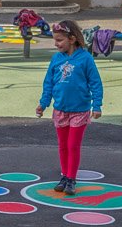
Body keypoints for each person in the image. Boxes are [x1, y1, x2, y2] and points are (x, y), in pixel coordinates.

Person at [35, 20, 104, 196]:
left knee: (73, 145)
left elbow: (95, 82)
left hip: (79, 109)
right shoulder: (56, 59)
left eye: (59, 40)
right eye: (55, 40)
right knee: (63, 145)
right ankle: (64, 176)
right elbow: (48, 83)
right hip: (60, 109)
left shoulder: (85, 58)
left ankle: (71, 178)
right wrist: (43, 103)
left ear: (72, 39)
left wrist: (97, 105)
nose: (56, 44)